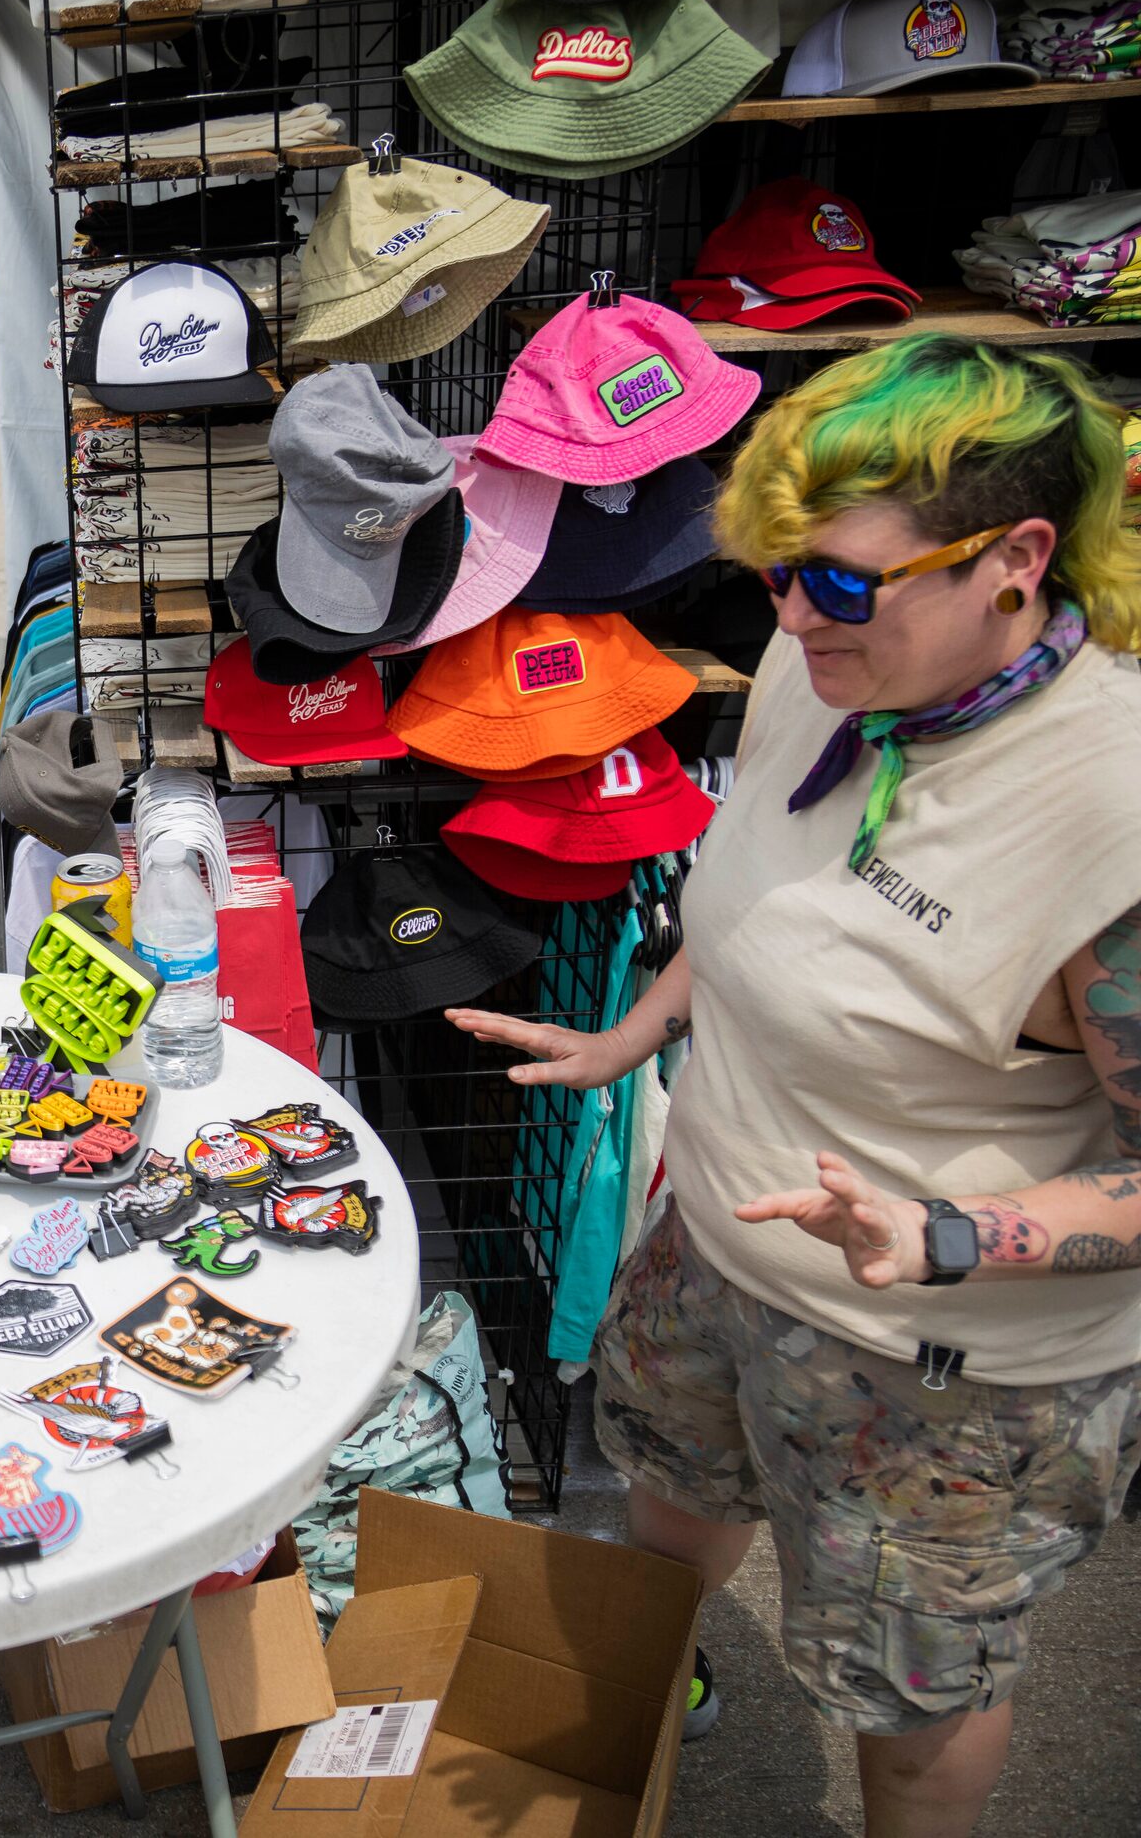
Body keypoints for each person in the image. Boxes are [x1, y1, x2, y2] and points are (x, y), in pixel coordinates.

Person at [449, 334, 1141, 1838]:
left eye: (834, 578)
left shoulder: (1111, 818)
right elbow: (778, 892)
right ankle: (647, 1688)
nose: (789, 610)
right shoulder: (830, 662)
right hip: (719, 1240)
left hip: (936, 1363)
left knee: (913, 1691)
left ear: (1017, 557)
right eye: (770, 571)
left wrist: (947, 1233)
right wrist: (631, 1039)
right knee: (667, 1482)